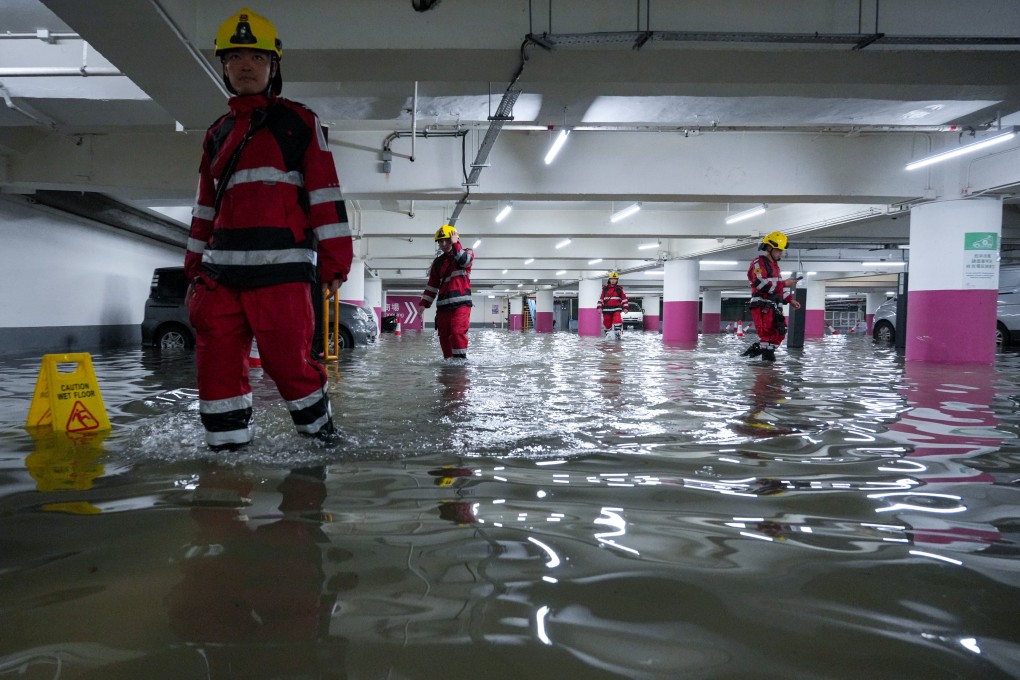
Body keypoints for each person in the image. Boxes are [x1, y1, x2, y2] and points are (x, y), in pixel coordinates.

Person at [184, 8, 353, 451]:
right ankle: (226, 468)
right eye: (235, 57)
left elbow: (323, 193)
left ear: (273, 67)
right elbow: (205, 205)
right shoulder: (217, 133)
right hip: (220, 279)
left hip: (281, 275)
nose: (245, 65)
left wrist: (336, 260)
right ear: (223, 66)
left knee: (289, 368)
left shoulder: (299, 122)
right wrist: (193, 267)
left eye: (256, 58)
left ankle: (321, 451)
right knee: (216, 373)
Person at [742, 230, 802, 362]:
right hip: (762, 306)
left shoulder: (775, 266)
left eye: (781, 251)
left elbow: (777, 288)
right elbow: (760, 284)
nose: (780, 253)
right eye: (778, 250)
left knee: (780, 332)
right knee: (767, 336)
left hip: (774, 306)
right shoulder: (758, 263)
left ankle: (756, 358)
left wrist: (790, 299)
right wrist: (785, 283)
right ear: (769, 248)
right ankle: (767, 369)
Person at [420, 225, 474, 359]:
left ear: (454, 239)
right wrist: (423, 304)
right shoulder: (438, 262)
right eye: (441, 241)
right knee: (444, 335)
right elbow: (432, 285)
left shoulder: (466, 253)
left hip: (461, 305)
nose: (444, 244)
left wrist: (456, 244)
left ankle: (460, 363)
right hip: (443, 307)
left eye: (447, 240)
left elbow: (465, 261)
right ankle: (449, 366)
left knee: (457, 332)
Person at [598, 271, 628, 339]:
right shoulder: (604, 289)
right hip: (606, 309)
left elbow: (624, 298)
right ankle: (609, 334)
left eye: (615, 279)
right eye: (611, 279)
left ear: (617, 280)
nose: (613, 280)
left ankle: (617, 333)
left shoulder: (619, 289)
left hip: (616, 309)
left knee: (617, 319)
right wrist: (599, 307)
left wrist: (626, 307)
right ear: (609, 280)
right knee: (606, 322)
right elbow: (601, 299)